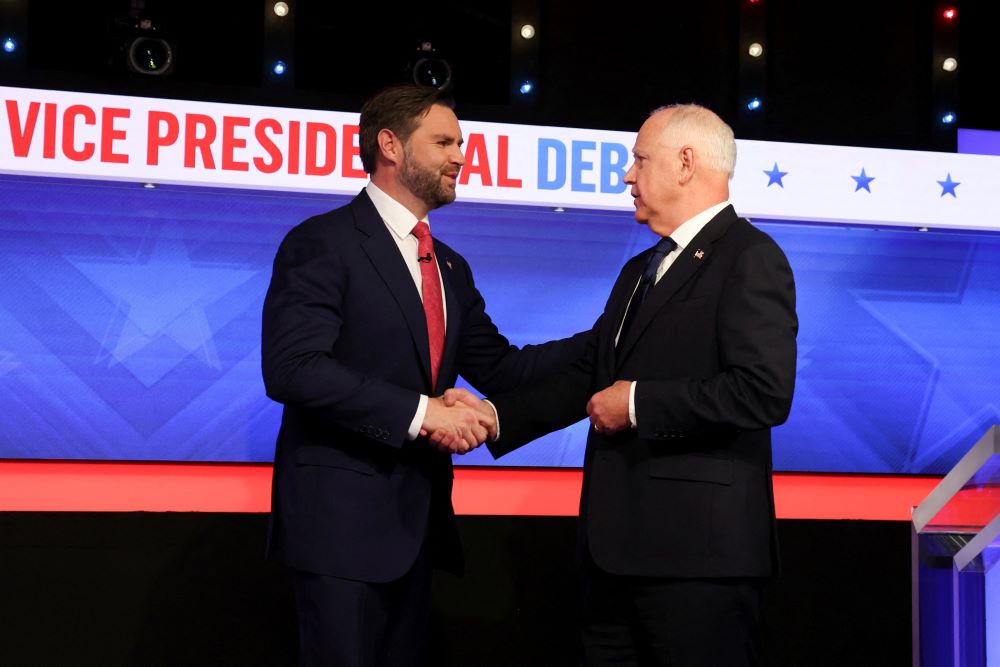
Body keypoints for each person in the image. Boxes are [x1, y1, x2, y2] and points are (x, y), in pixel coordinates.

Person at [441, 104, 798, 665]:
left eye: (639, 160)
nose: (628, 175)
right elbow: (592, 371)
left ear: (686, 163)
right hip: (613, 560)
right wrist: (494, 417)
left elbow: (762, 391)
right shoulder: (640, 270)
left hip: (698, 565)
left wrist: (636, 403)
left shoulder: (751, 258)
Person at [261, 84, 588, 666]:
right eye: (443, 141)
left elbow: (505, 369)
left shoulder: (450, 266)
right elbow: (294, 369)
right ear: (390, 145)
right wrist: (422, 412)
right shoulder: (322, 242)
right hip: (338, 533)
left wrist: (609, 337)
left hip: (417, 531)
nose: (460, 155)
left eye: (460, 142)